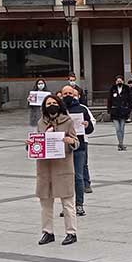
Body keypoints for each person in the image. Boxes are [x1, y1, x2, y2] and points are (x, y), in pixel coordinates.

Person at [34, 94, 80, 245]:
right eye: (48, 103)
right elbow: (38, 140)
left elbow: (76, 142)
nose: (51, 105)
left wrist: (70, 141)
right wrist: (31, 144)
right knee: (45, 203)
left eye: (54, 103)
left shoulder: (68, 121)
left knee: (67, 202)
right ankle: (48, 232)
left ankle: (71, 232)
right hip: (45, 168)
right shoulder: (41, 122)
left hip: (62, 167)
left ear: (59, 105)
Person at [61, 85, 95, 215]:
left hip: (79, 147)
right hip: (62, 148)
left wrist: (87, 125)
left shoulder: (82, 109)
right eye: (65, 94)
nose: (68, 95)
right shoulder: (59, 110)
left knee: (79, 177)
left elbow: (90, 129)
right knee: (64, 177)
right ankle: (67, 205)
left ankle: (79, 204)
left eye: (70, 93)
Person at [107, 76, 132, 151]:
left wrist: (129, 109)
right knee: (117, 128)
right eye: (117, 81)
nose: (119, 82)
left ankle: (121, 143)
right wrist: (109, 109)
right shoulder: (113, 89)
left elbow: (130, 100)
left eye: (120, 81)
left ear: (123, 81)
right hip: (115, 111)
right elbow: (109, 99)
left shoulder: (126, 88)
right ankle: (121, 144)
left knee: (122, 128)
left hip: (123, 111)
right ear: (116, 82)